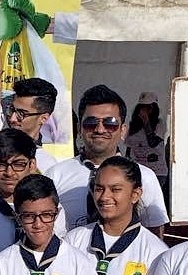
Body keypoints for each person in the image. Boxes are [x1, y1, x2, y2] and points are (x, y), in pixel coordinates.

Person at [48, 85, 169, 237]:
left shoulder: (145, 176)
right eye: (91, 123)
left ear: (123, 130)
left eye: (110, 123)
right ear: (79, 128)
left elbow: (154, 232)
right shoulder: (55, 174)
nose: (100, 129)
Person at [0, 128, 42, 255]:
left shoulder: (47, 210)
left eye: (18, 164)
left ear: (32, 165)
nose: (9, 173)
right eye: (0, 164)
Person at [5, 78, 59, 172]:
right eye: (12, 109)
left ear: (43, 118)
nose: (12, 119)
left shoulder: (48, 166)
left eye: (21, 114)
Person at [125, 92, 169, 206]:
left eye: (148, 107)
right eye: (142, 107)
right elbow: (129, 149)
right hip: (140, 170)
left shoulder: (159, 124)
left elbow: (153, 142)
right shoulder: (134, 125)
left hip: (157, 171)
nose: (145, 110)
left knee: (153, 202)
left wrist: (146, 122)